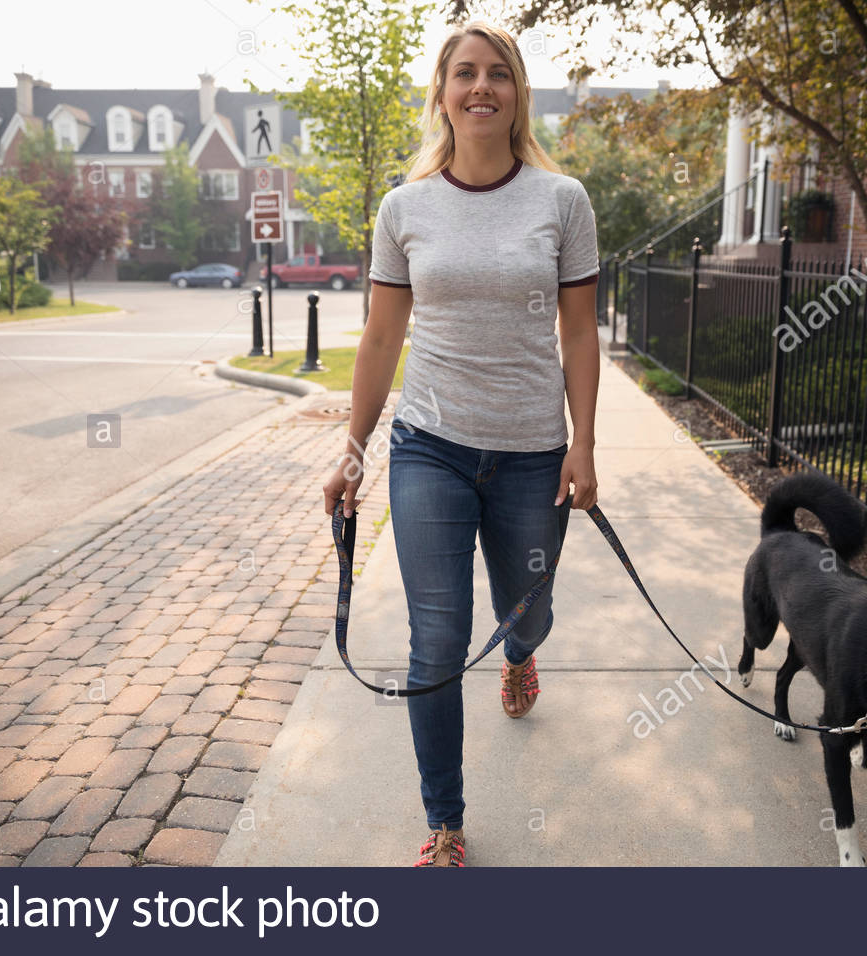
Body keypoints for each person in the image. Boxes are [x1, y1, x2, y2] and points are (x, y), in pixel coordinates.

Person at [322, 19, 601, 867]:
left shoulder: (562, 201)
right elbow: (379, 338)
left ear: (517, 95)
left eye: (498, 75)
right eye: (465, 74)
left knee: (531, 608)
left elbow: (581, 334)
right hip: (430, 447)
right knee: (436, 637)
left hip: (530, 454)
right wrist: (353, 445)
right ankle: (445, 821)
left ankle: (520, 654)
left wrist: (583, 443)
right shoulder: (404, 208)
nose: (481, 88)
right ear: (442, 94)